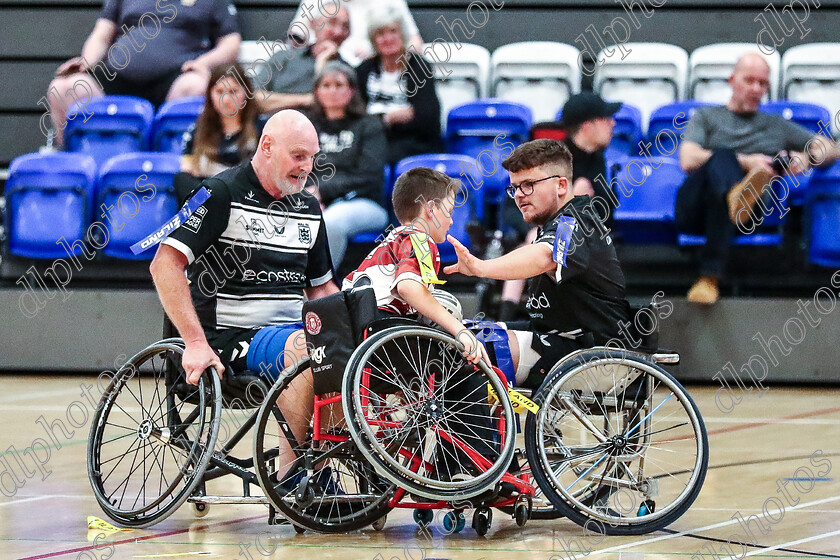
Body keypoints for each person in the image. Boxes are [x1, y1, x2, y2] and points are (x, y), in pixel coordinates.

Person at [150, 110, 338, 474]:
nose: (306, 167)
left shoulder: (309, 208)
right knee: (306, 351)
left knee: (339, 350)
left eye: (312, 158)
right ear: (266, 146)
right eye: (298, 156)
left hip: (288, 334)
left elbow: (322, 289)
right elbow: (164, 265)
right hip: (229, 341)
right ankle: (291, 478)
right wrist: (194, 343)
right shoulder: (219, 193)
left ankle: (320, 473)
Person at [445, 139, 632, 389]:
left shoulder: (575, 221)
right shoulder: (554, 224)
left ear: (562, 185)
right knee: (462, 332)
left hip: (598, 352)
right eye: (515, 188)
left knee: (479, 347)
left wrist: (480, 267)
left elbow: (545, 256)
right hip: (561, 339)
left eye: (529, 185)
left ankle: (481, 429)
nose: (520, 195)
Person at [677, 53, 840, 305]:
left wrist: (807, 158)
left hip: (749, 214)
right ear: (732, 80)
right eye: (749, 81)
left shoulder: (775, 124)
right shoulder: (707, 117)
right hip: (695, 206)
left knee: (726, 194)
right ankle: (734, 195)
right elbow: (687, 158)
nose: (756, 89)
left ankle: (710, 275)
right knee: (722, 157)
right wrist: (748, 162)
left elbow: (831, 148)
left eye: (762, 83)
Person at [343, 167, 488, 365]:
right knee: (447, 307)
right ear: (430, 209)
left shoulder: (393, 240)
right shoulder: (420, 239)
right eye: (450, 211)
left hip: (351, 332)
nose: (452, 221)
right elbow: (408, 287)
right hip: (381, 333)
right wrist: (459, 330)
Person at [47, 0, 241, 147]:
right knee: (63, 88)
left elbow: (231, 42)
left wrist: (203, 64)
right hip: (116, 77)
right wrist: (86, 61)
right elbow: (101, 34)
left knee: (198, 86)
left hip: (176, 78)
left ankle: (168, 159)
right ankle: (72, 160)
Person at [497, 93, 621, 320]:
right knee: (539, 237)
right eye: (605, 119)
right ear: (587, 127)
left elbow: (607, 212)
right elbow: (512, 204)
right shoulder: (549, 158)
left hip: (578, 235)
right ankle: (507, 314)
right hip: (546, 231)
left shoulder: (597, 160)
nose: (613, 123)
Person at [308, 61, 388, 270]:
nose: (332, 91)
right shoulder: (308, 126)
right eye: (326, 85)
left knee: (330, 223)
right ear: (317, 91)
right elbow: (298, 167)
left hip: (363, 202)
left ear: (352, 90)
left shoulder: (368, 126)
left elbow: (369, 176)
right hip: (312, 199)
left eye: (339, 85)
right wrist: (309, 195)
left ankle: (320, 288)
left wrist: (322, 191)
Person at [356, 7, 442, 165]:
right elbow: (357, 116)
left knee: (382, 157)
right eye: (380, 34)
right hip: (373, 140)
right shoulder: (364, 69)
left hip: (414, 143)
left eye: (393, 31)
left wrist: (378, 119)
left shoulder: (419, 67)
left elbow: (428, 121)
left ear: (402, 34)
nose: (387, 38)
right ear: (373, 39)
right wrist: (392, 117)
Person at [258, 6, 351, 113]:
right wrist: (305, 100)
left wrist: (321, 64)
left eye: (345, 27)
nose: (338, 32)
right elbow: (255, 98)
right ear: (313, 24)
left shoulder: (347, 70)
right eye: (332, 23)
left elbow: (327, 106)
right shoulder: (283, 57)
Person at [181, 62, 262, 179]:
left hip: (242, 193)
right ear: (210, 94)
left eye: (233, 92)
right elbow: (187, 169)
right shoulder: (197, 130)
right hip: (207, 192)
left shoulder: (261, 129)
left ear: (246, 92)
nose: (226, 100)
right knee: (181, 178)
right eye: (219, 92)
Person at [288, 0, 424, 65]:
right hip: (322, 69)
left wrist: (378, 52)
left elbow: (416, 44)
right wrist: (318, 48)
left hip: (370, 73)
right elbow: (294, 38)